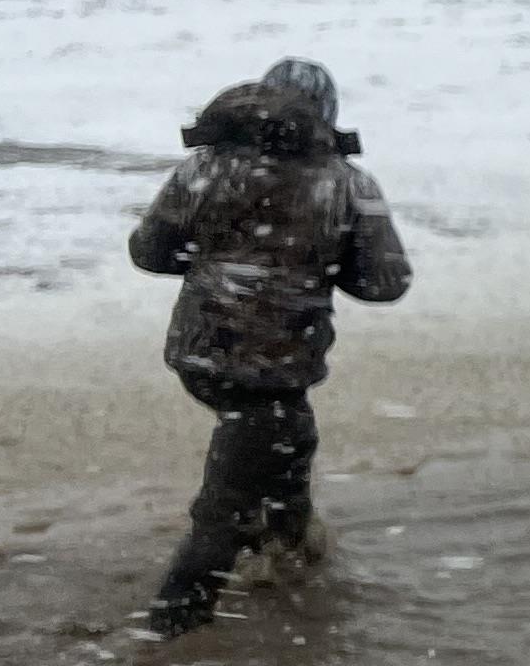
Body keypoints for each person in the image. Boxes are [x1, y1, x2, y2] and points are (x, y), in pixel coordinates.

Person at [129, 57, 411, 634]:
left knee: (289, 438)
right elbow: (386, 283)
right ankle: (168, 630)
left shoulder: (204, 169)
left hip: (198, 352)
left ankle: (287, 548)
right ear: (327, 116)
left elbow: (148, 252)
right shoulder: (349, 183)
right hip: (276, 363)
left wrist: (213, 264)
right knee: (228, 502)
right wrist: (321, 267)